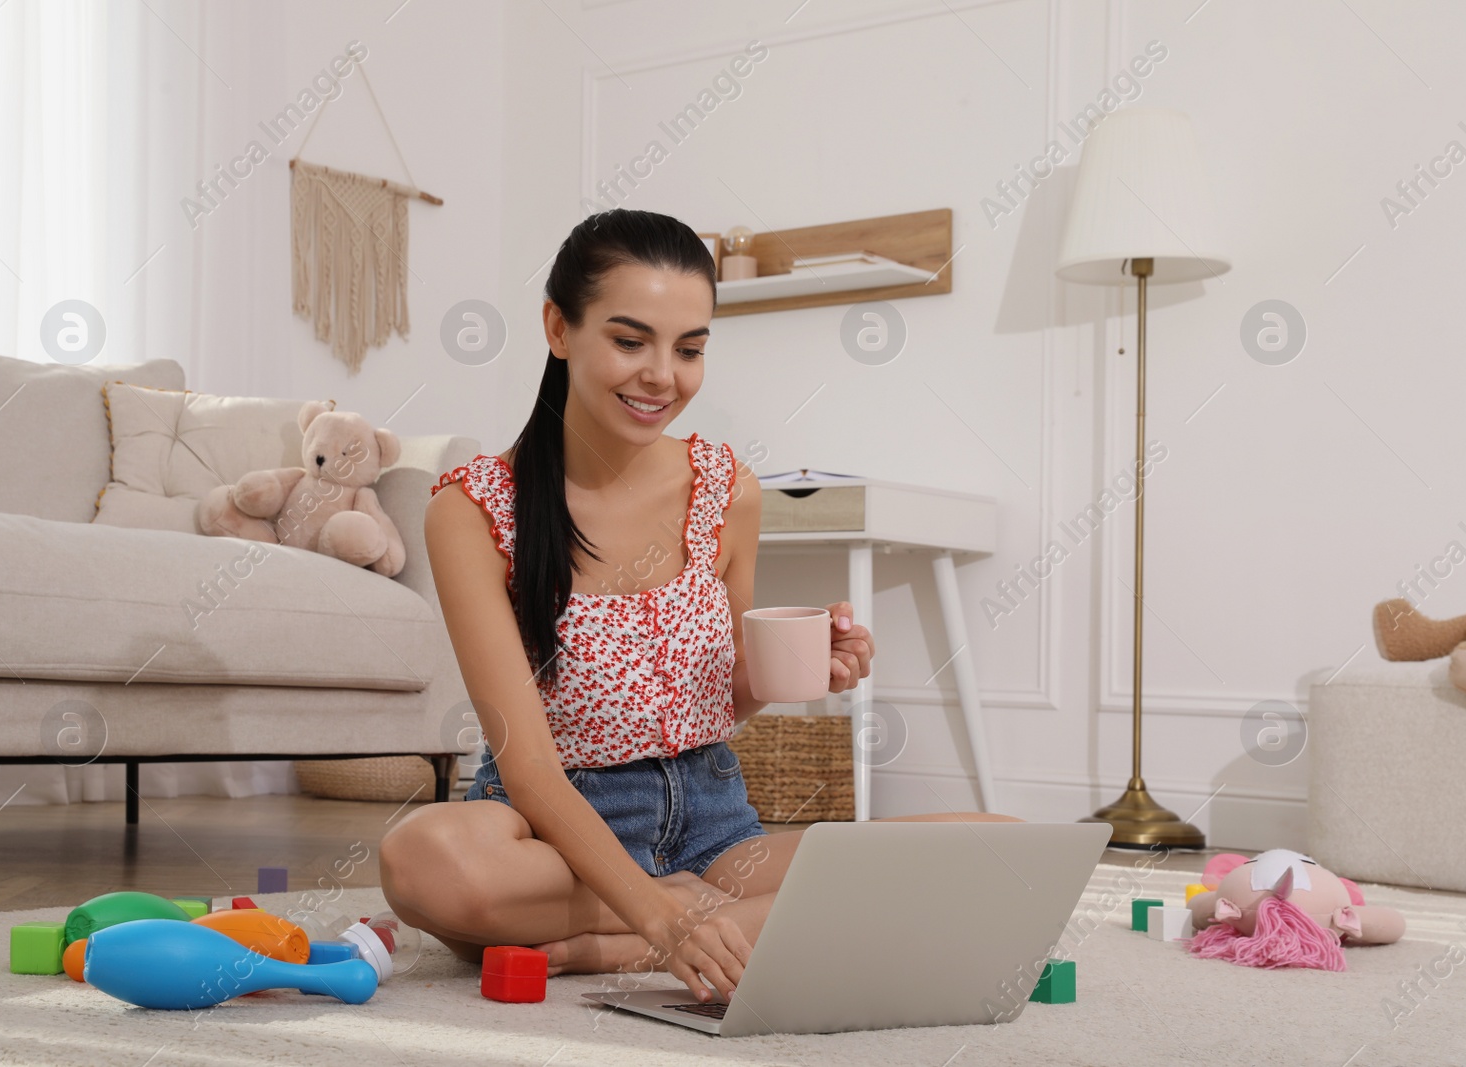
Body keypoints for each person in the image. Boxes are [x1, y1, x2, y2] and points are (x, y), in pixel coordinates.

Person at [379, 208, 1017, 1006]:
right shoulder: (474, 509)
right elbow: (528, 764)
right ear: (558, 327)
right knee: (424, 858)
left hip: (710, 826)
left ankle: (608, 945)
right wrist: (660, 914)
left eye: (689, 349)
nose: (662, 376)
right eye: (629, 339)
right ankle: (710, 921)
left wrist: (797, 672)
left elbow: (717, 702)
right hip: (551, 835)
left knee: (1000, 850)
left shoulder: (727, 489)